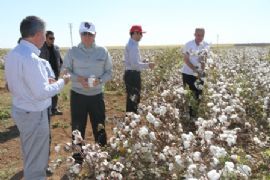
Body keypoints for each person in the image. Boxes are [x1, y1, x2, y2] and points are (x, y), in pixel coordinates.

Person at [4, 16, 70, 179]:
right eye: (44, 33)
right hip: (34, 114)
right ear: (39, 34)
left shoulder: (13, 54)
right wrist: (63, 81)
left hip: (21, 110)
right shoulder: (32, 59)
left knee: (30, 153)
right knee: (37, 162)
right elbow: (42, 92)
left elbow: (12, 84)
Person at [63, 21, 113, 150]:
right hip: (78, 95)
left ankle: (102, 155)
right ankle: (78, 158)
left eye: (90, 34)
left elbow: (109, 72)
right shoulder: (72, 51)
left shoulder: (103, 51)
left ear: (95, 34)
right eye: (84, 34)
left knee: (99, 126)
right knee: (77, 128)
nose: (87, 37)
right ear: (80, 34)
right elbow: (64, 71)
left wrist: (100, 80)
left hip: (96, 96)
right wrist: (79, 79)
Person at [124, 25, 155, 113]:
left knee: (132, 98)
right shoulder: (133, 46)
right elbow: (134, 65)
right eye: (140, 33)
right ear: (135, 33)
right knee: (133, 98)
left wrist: (143, 62)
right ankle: (131, 119)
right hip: (133, 75)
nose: (142, 36)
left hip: (130, 74)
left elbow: (133, 62)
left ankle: (130, 119)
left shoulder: (132, 44)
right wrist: (148, 65)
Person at [181, 28, 209, 117]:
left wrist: (201, 70)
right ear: (194, 34)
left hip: (200, 74)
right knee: (190, 94)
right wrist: (195, 70)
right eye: (198, 35)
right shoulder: (188, 44)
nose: (200, 37)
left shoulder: (206, 45)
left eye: (202, 35)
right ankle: (189, 115)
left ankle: (195, 115)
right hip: (187, 73)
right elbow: (186, 60)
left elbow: (204, 59)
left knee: (198, 94)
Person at [40, 30, 63, 115]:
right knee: (45, 92)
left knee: (54, 92)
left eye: (53, 38)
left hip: (55, 74)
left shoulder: (56, 48)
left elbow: (60, 60)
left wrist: (60, 68)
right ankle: (45, 110)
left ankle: (54, 109)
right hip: (44, 75)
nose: (53, 40)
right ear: (45, 38)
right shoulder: (40, 48)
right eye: (51, 38)